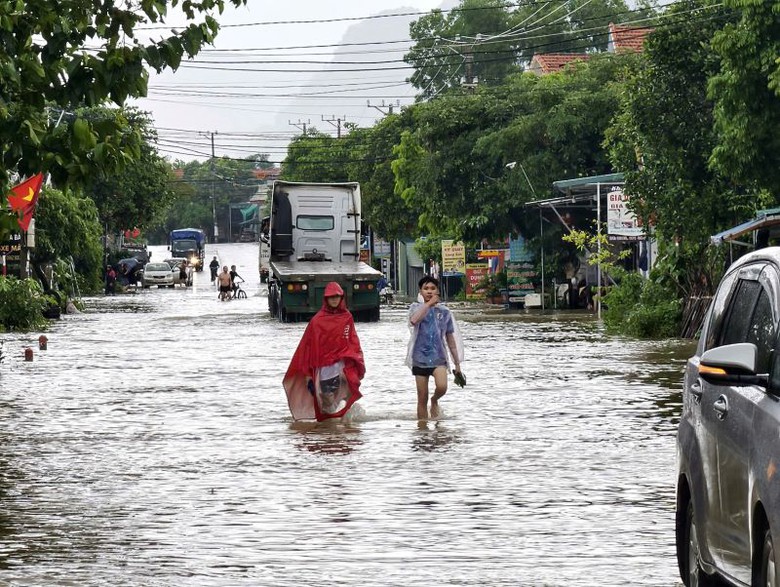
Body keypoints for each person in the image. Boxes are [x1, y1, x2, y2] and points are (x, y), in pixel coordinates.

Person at [283, 282, 365, 422]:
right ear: (326, 299)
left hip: (342, 369)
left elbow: (352, 341)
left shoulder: (347, 318)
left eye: (337, 296)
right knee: (327, 401)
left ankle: (338, 427)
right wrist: (308, 375)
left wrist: (356, 362)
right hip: (325, 370)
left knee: (346, 395)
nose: (334, 299)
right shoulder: (317, 321)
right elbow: (308, 348)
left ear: (341, 298)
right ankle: (332, 426)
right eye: (331, 297)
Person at [407, 275, 464, 420]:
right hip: (419, 358)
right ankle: (422, 431)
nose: (429, 291)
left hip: (439, 358)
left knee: (442, 387)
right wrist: (428, 305)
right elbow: (414, 321)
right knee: (421, 397)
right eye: (426, 288)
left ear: (438, 291)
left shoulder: (444, 312)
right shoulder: (415, 308)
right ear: (420, 291)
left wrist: (457, 364)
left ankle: (434, 400)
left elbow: (450, 340)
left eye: (433, 288)